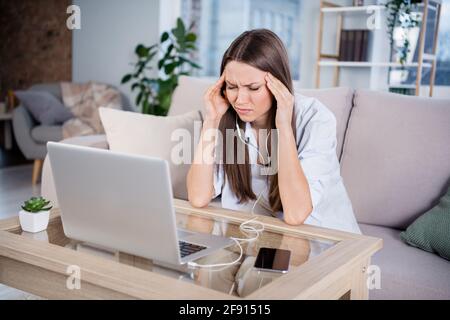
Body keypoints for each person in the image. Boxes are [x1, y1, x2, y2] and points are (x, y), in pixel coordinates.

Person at [187, 29, 360, 234]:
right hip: (256, 235)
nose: (240, 100)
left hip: (322, 237)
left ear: (279, 84)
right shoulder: (226, 115)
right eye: (232, 86)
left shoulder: (316, 119)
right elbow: (198, 197)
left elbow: (296, 214)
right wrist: (211, 120)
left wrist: (284, 127)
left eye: (253, 88)